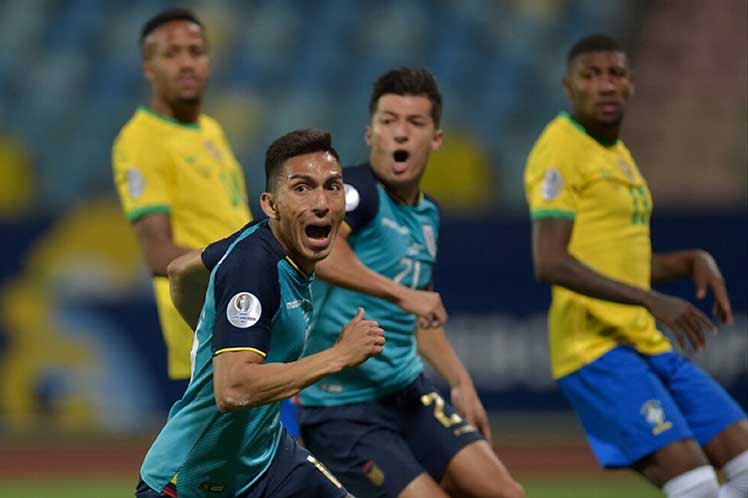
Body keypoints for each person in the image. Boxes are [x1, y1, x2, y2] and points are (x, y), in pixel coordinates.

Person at [524, 34, 748, 498]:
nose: (606, 84)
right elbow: (550, 262)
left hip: (645, 342)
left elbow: (615, 260)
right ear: (569, 87)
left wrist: (689, 261)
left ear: (631, 85)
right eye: (592, 75)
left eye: (616, 74)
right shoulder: (560, 148)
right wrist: (652, 300)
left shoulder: (618, 155)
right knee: (699, 487)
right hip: (595, 351)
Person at [295, 68, 524, 498]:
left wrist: (460, 381)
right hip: (340, 408)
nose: (400, 134)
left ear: (436, 138)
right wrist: (403, 293)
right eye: (388, 121)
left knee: (507, 493)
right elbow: (322, 253)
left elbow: (418, 318)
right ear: (370, 134)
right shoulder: (356, 192)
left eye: (415, 123)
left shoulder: (428, 215)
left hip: (408, 393)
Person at [136, 129, 385, 498]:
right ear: (271, 204)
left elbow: (181, 270)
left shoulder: (265, 240)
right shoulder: (254, 267)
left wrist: (213, 331)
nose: (321, 202)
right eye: (302, 188)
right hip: (191, 481)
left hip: (267, 459)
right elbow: (233, 389)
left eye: (332, 187)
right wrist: (339, 355)